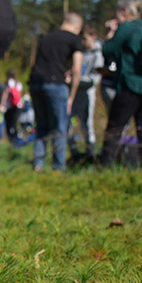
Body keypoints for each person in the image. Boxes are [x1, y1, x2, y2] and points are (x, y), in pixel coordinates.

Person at [98, 0, 142, 166]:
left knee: (115, 127)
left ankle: (104, 166)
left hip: (131, 86)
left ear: (124, 12)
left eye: (117, 15)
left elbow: (107, 49)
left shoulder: (127, 27)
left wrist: (111, 31)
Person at [28, 12, 83, 172]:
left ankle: (37, 165)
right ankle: (58, 168)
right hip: (55, 85)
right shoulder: (74, 39)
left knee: (42, 127)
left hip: (35, 83)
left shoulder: (46, 37)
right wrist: (71, 96)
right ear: (77, 27)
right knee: (59, 128)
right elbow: (77, 70)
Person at [68, 24, 104, 160]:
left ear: (93, 37)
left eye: (85, 39)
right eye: (81, 39)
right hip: (73, 95)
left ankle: (90, 155)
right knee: (68, 125)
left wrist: (75, 79)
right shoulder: (79, 52)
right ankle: (74, 153)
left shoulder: (98, 54)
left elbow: (94, 79)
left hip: (87, 95)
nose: (82, 42)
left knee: (87, 126)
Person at [1, 69, 23, 142]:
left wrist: (1, 104)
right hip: (18, 106)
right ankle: (16, 139)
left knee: (9, 124)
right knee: (15, 123)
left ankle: (10, 139)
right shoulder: (18, 83)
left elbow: (5, 94)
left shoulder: (7, 83)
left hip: (9, 106)